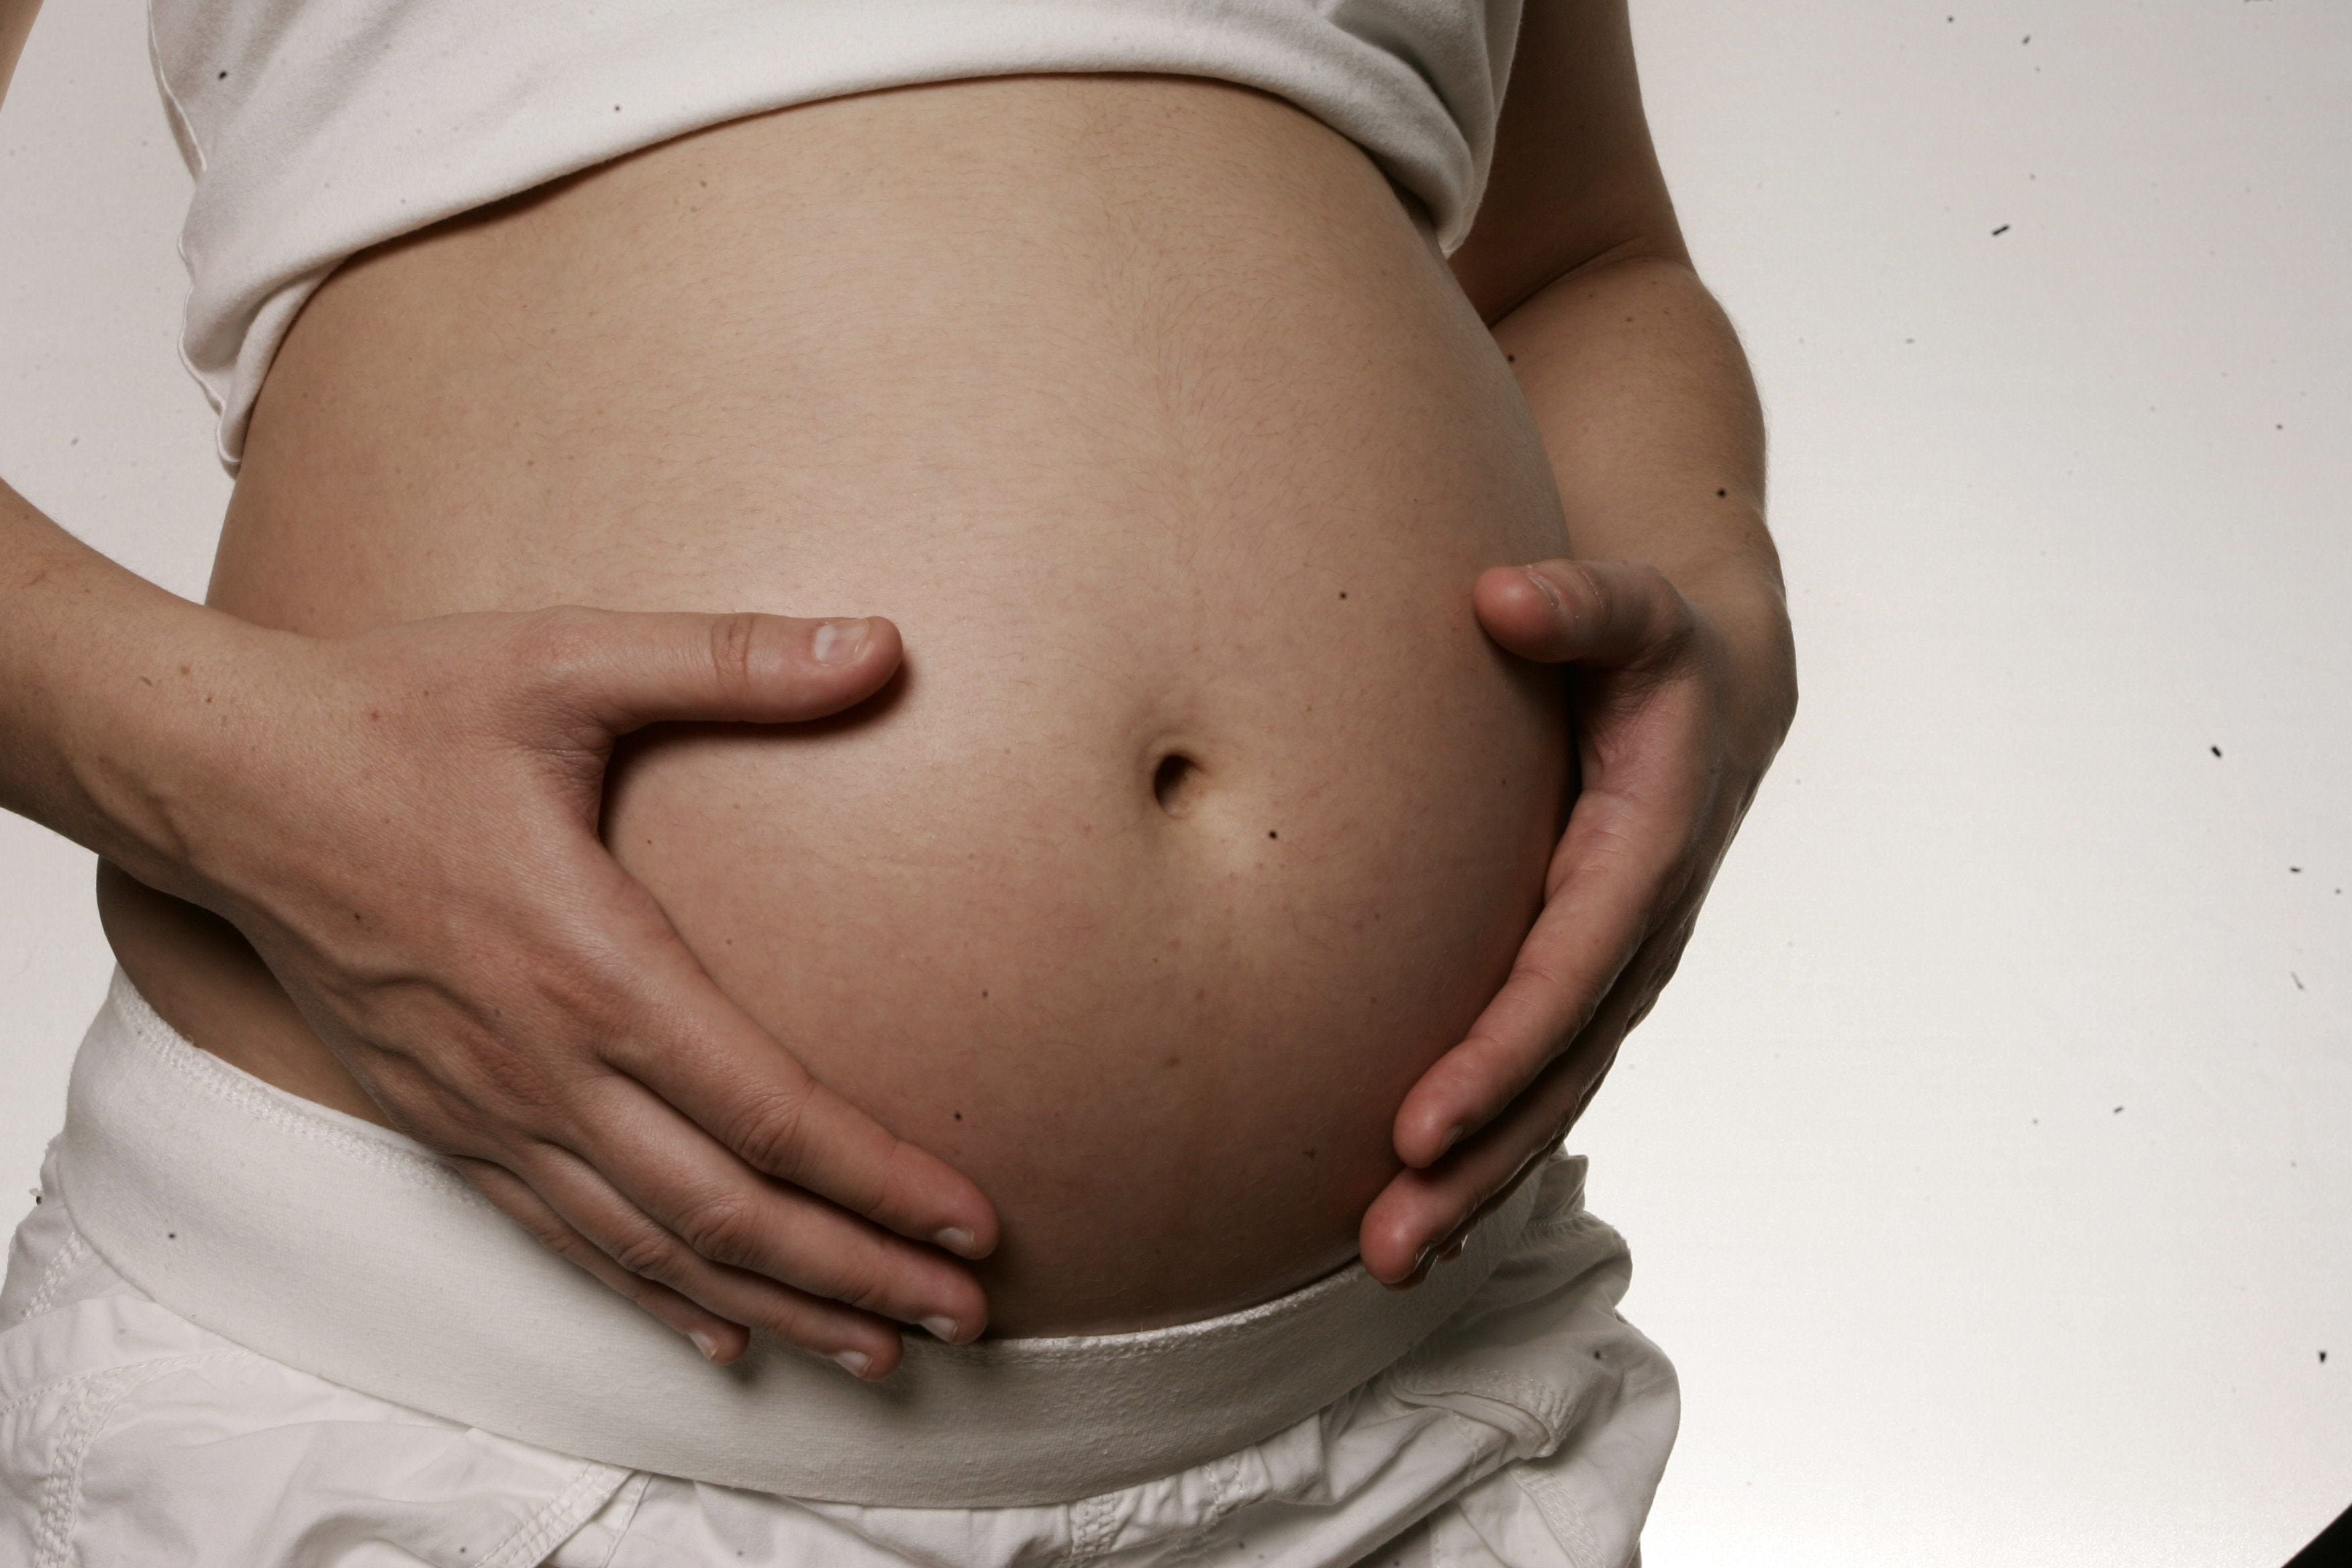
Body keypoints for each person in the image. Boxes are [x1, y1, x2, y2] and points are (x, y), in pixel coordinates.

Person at [0, 0, 1795, 1561]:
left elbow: (1582, 262)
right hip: (460, 1419)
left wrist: (1715, 593)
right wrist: (236, 784)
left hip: (1389, 1431)